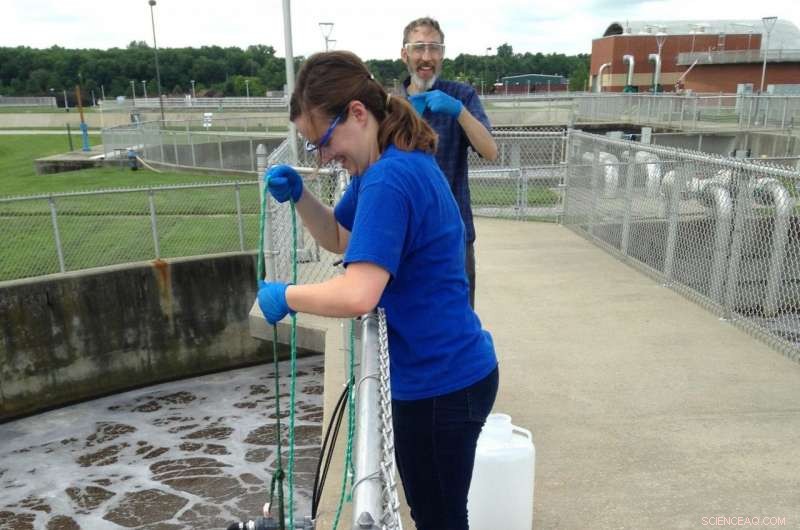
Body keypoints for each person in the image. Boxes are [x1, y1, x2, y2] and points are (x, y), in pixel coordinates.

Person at [257, 51, 499, 530]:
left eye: (322, 142)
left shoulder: (389, 178)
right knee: (440, 514)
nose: (324, 157)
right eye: (313, 150)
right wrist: (301, 196)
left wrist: (287, 297)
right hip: (452, 375)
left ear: (358, 113)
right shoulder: (383, 166)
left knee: (440, 519)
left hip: (441, 385)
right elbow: (339, 238)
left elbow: (359, 293)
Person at [401, 17, 498, 308]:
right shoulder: (390, 104)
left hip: (455, 235)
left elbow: (490, 151)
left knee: (459, 316)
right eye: (419, 48)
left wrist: (459, 113)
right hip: (404, 234)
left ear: (442, 54)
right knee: (411, 316)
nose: (426, 57)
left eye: (434, 48)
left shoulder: (461, 96)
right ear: (405, 54)